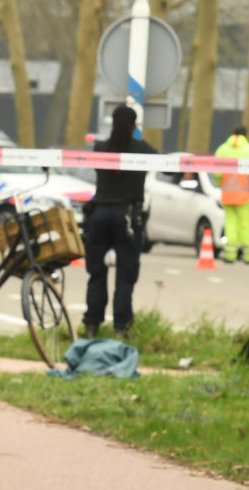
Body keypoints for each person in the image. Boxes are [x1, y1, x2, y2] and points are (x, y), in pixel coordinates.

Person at [82, 105, 158, 339]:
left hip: (99, 215)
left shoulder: (100, 148)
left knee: (96, 274)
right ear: (134, 126)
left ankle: (92, 325)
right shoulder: (141, 149)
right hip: (126, 217)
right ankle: (121, 327)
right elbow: (164, 163)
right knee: (125, 276)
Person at [214, 125, 249, 264]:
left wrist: (221, 184)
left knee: (230, 223)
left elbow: (216, 172)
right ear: (245, 135)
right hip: (244, 194)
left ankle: (230, 255)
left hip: (228, 193)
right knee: (245, 224)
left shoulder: (222, 149)